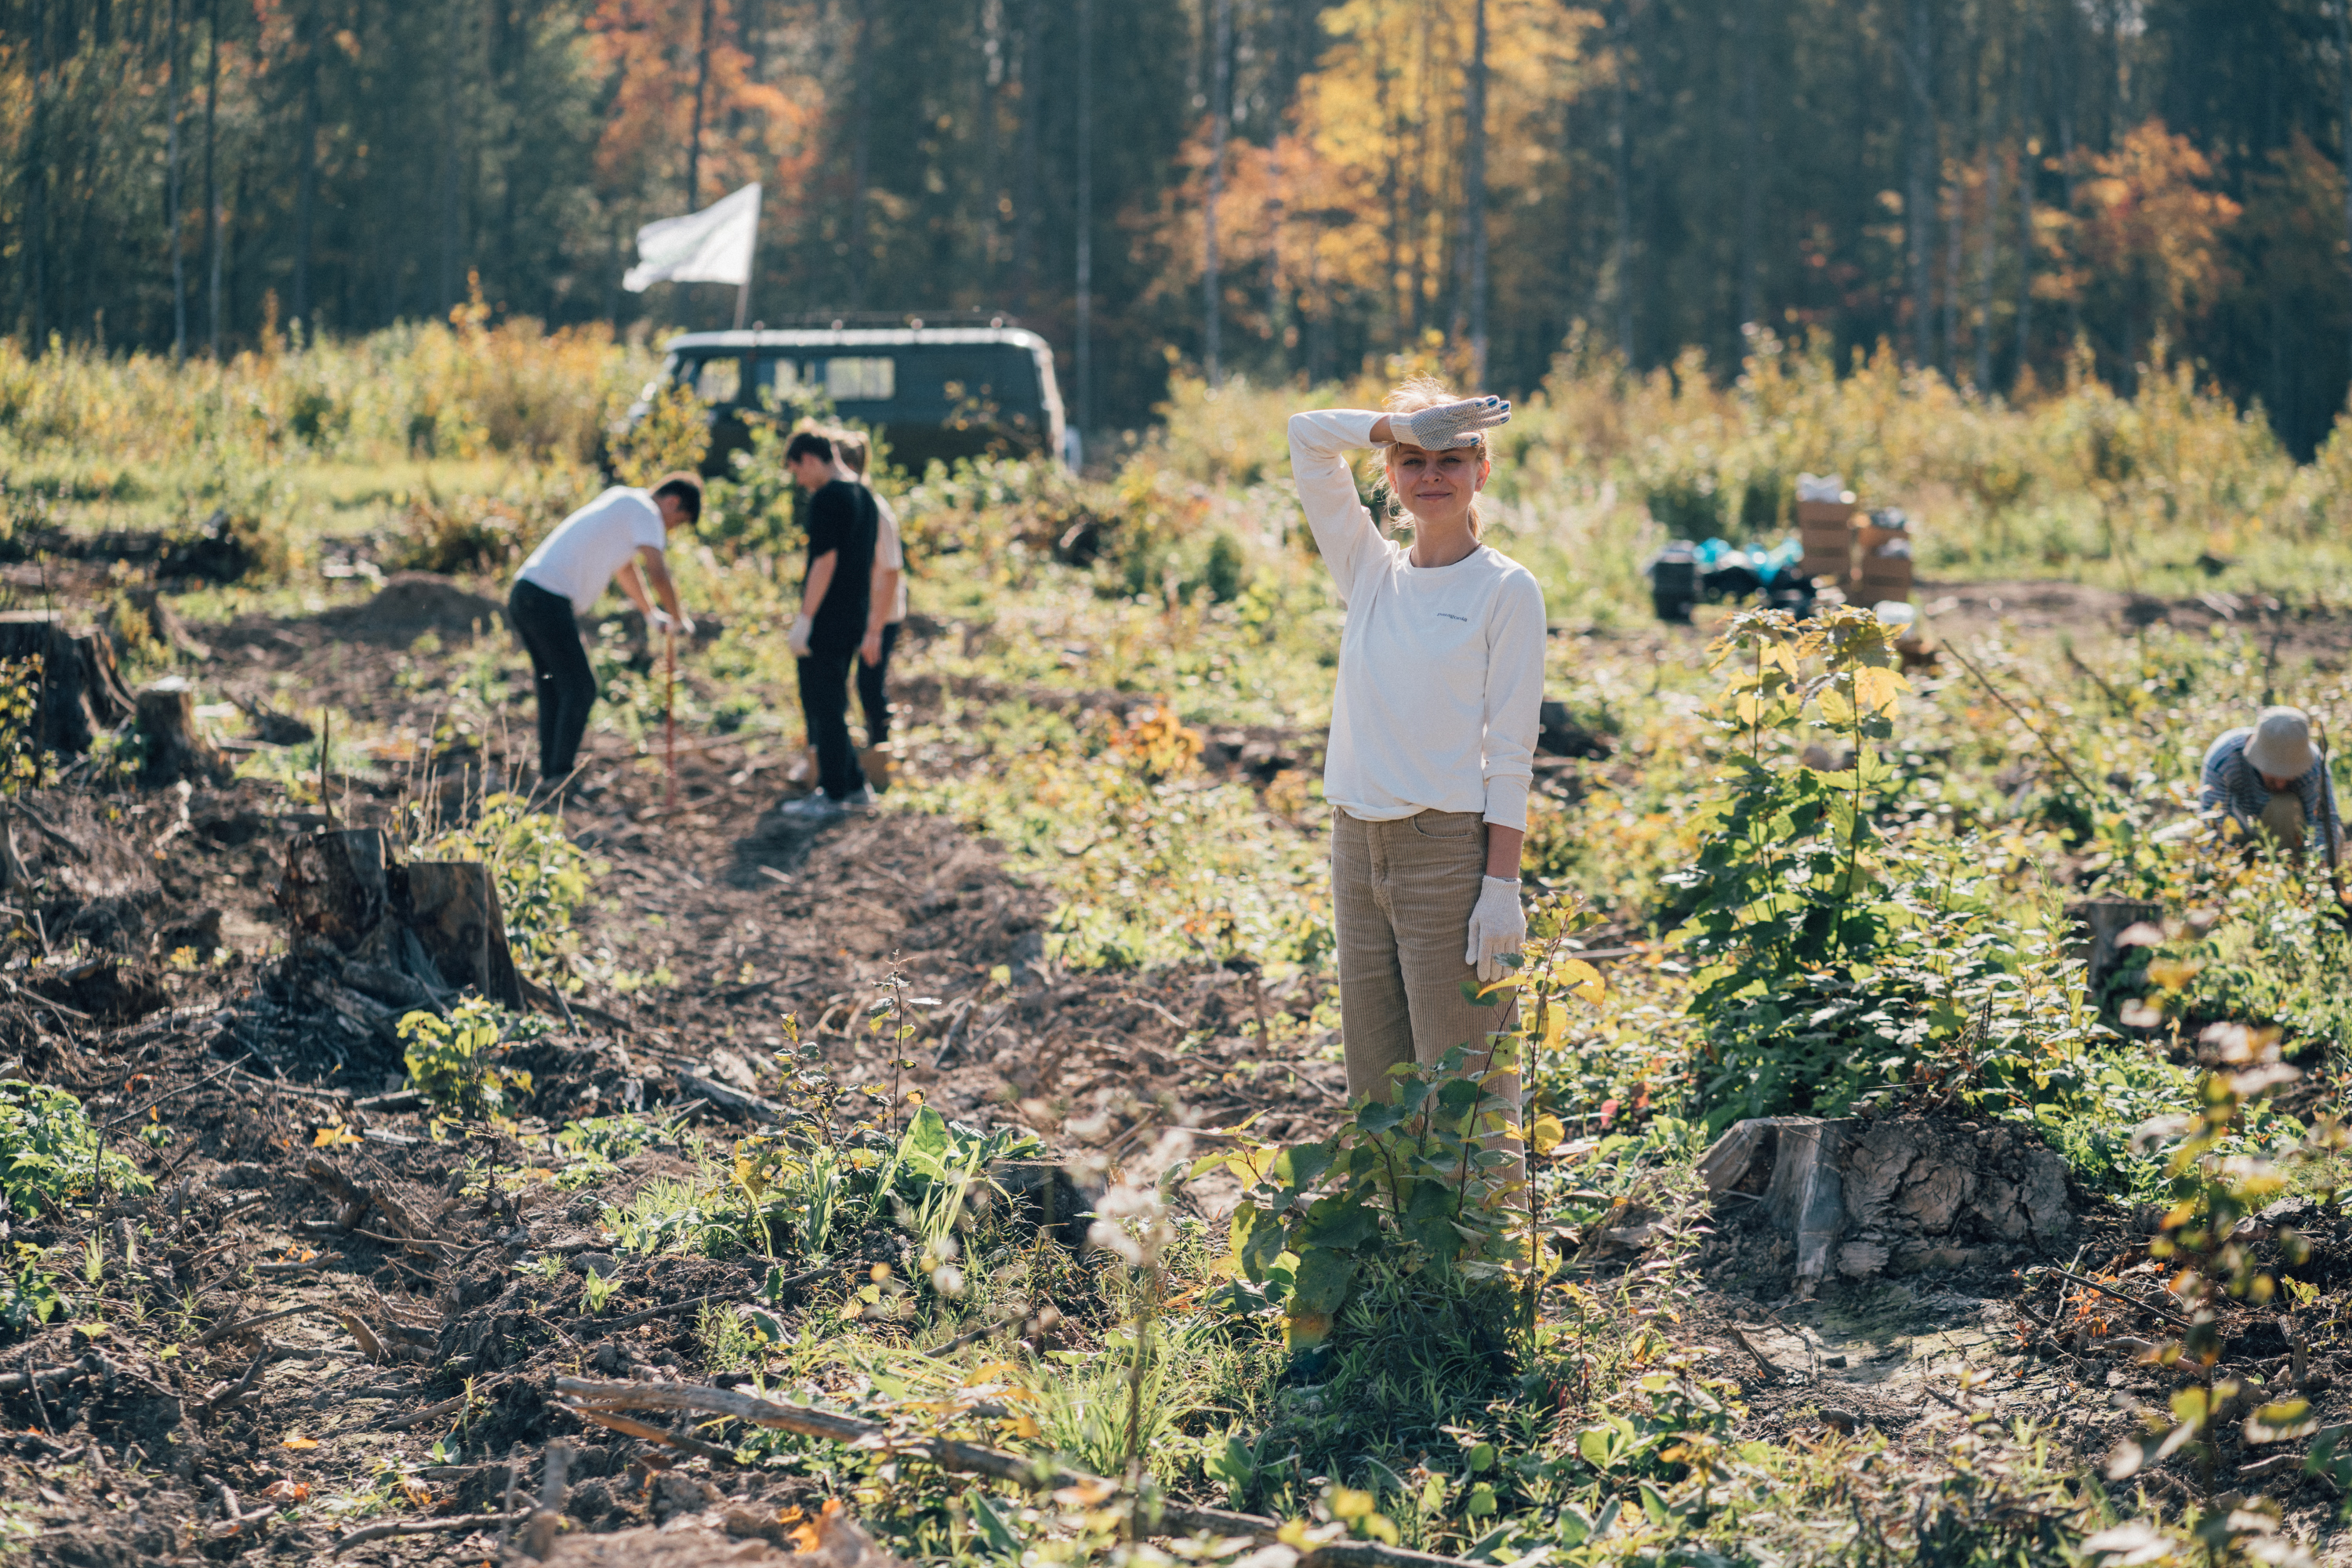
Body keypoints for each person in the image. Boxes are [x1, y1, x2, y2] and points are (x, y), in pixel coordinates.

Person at [1287, 378, 1545, 1117]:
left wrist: (1501, 890)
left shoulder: (1507, 590)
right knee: (1379, 1089)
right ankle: (1392, 1235)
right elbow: (1307, 435)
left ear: (1481, 472)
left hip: (1447, 856)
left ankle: (1486, 1234)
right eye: (1412, 459)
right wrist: (1395, 422)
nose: (1432, 476)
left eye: (1452, 459)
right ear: (1390, 476)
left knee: (1467, 1092)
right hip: (1355, 847)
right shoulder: (1369, 572)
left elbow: (1512, 753)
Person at [508, 474, 699, 789]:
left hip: (526, 594)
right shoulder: (646, 510)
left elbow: (626, 568)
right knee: (581, 687)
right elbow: (657, 570)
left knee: (555, 686)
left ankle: (553, 775)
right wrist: (679, 618)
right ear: (673, 501)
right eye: (677, 522)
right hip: (547, 597)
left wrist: (651, 614)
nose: (669, 529)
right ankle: (559, 774)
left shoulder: (623, 503)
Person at [780, 429, 880, 821]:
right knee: (834, 700)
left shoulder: (828, 498)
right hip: (854, 613)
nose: (800, 482)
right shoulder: (864, 494)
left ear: (809, 458)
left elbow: (825, 561)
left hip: (828, 618)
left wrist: (805, 619)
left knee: (824, 706)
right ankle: (855, 785)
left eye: (797, 472)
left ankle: (833, 794)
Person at [829, 429, 906, 759]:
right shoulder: (849, 506)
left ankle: (881, 749)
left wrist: (875, 630)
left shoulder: (876, 511)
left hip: (881, 613)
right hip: (857, 611)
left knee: (869, 684)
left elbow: (890, 572)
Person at [2199, 706, 2343, 857]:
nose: (2281, 784)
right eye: (2273, 775)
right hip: (2238, 839)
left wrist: (2322, 864)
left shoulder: (2314, 768)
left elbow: (2324, 821)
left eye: (2289, 774)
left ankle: (2289, 870)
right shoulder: (2224, 758)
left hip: (2288, 843)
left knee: (2285, 807)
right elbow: (2212, 821)